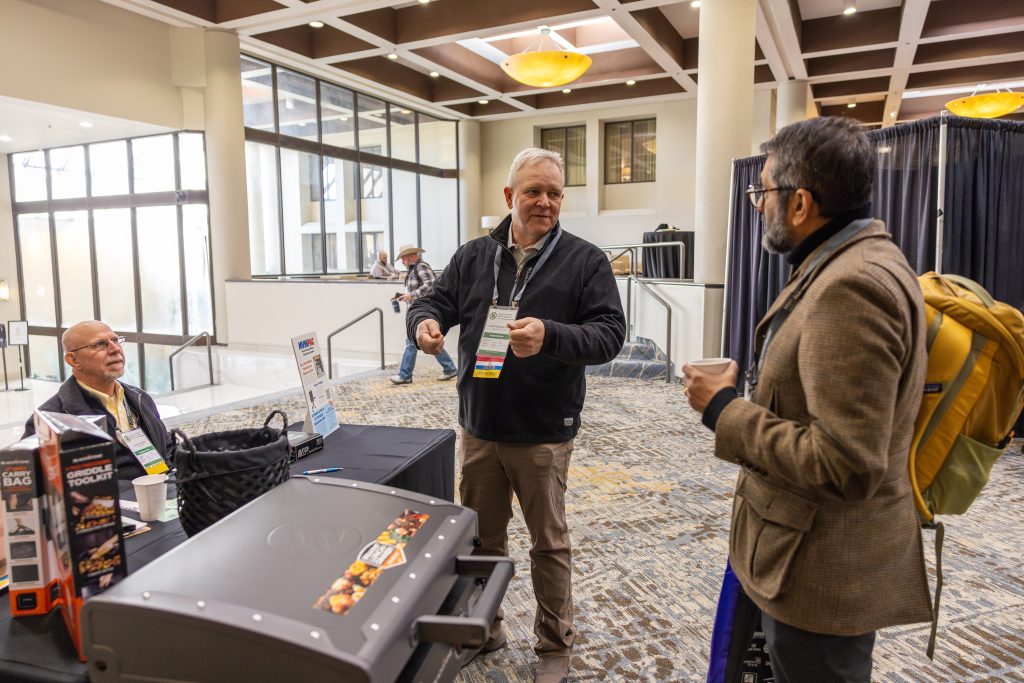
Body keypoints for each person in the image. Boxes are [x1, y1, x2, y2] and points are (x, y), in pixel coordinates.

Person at [683, 117, 931, 682]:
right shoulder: (846, 261)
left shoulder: (852, 286)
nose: (757, 205)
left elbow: (846, 463)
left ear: (799, 204)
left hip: (821, 571)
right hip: (803, 551)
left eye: (762, 192)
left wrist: (723, 407)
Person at [408, 148, 626, 683]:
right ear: (510, 197)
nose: (545, 203)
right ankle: (487, 625)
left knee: (548, 543)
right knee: (483, 540)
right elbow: (431, 302)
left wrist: (551, 336)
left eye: (554, 193)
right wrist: (425, 324)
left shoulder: (585, 261)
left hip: (543, 431)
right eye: (534, 192)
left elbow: (610, 335)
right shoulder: (472, 257)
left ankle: (554, 645)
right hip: (480, 425)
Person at [23, 321, 173, 481]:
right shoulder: (51, 418)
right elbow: (31, 481)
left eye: (115, 341)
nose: (115, 349)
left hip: (162, 495)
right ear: (73, 360)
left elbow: (167, 447)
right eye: (100, 344)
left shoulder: (140, 398)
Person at [390, 244, 458, 385]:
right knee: (428, 341)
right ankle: (449, 367)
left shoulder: (421, 267)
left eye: (403, 258)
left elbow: (431, 284)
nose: (402, 262)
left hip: (423, 313)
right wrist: (406, 296)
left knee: (411, 342)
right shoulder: (413, 270)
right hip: (417, 314)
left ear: (409, 257)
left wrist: (412, 294)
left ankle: (405, 374)